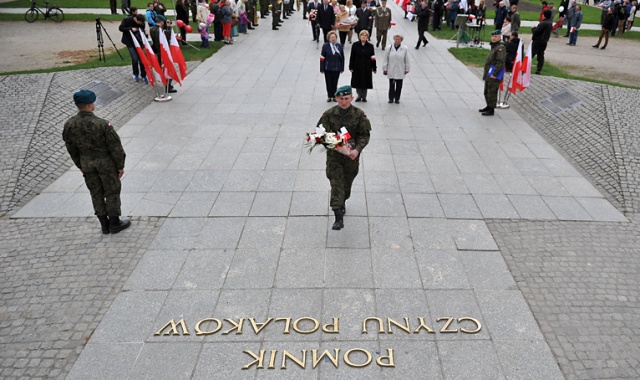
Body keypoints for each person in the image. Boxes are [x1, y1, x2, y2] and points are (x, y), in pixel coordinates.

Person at [63, 90, 131, 235]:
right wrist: (120, 166)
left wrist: (80, 164)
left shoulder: (69, 124)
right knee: (112, 192)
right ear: (89, 105)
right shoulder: (103, 124)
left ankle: (104, 225)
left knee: (96, 192)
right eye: (93, 102)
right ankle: (114, 223)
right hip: (106, 164)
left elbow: (71, 147)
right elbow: (116, 147)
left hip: (87, 164)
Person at [315, 85, 371, 230]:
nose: (344, 102)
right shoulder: (329, 114)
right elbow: (319, 133)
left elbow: (365, 135)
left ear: (352, 98)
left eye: (346, 99)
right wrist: (334, 144)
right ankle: (338, 216)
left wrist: (357, 150)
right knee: (336, 184)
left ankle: (343, 201)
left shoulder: (359, 115)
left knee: (346, 185)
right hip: (334, 157)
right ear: (336, 99)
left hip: (351, 158)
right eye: (341, 99)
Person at [479, 30, 505, 116]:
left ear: (500, 37)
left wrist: (495, 74)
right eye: (493, 36)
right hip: (489, 73)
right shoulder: (494, 47)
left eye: (496, 36)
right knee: (487, 91)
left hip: (494, 74)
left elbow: (500, 62)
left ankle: (491, 109)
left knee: (492, 92)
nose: (494, 38)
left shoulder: (500, 48)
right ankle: (488, 106)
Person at [150, 16, 178, 93]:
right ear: (162, 22)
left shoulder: (152, 29)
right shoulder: (161, 31)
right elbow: (167, 37)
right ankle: (167, 86)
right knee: (168, 69)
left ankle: (167, 84)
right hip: (164, 53)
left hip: (158, 51)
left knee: (164, 69)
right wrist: (168, 28)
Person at [119, 13, 148, 84]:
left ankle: (144, 75)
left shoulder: (142, 24)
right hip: (130, 42)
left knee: (142, 59)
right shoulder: (127, 20)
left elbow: (142, 31)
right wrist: (131, 29)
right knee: (135, 58)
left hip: (139, 42)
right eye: (139, 22)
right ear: (135, 19)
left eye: (141, 23)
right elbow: (121, 28)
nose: (140, 23)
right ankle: (135, 73)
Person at [349, 30, 377, 102]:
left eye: (365, 36)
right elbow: (352, 56)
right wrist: (351, 66)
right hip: (357, 66)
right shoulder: (355, 45)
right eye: (362, 35)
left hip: (367, 66)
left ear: (367, 37)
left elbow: (373, 57)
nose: (364, 37)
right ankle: (359, 95)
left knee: (365, 82)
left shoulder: (370, 46)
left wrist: (374, 67)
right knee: (358, 81)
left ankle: (364, 96)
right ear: (359, 36)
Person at [383, 34, 410, 104]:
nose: (397, 41)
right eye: (396, 39)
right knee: (391, 84)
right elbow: (386, 59)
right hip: (391, 68)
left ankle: (397, 98)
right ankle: (391, 98)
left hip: (400, 69)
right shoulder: (389, 48)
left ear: (401, 40)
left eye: (399, 39)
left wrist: (407, 68)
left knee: (399, 85)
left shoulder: (404, 48)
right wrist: (385, 68)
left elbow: (406, 59)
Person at [320, 31, 345, 102]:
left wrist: (342, 67)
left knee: (335, 82)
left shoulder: (339, 46)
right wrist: (322, 68)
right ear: (329, 38)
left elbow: (342, 58)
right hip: (327, 67)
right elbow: (322, 57)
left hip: (336, 67)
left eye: (334, 37)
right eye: (331, 37)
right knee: (328, 82)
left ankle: (334, 96)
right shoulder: (325, 46)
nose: (333, 39)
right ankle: (329, 95)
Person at [531, 9, 552, 74]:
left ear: (544, 15)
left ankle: (524, 67)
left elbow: (536, 32)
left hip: (538, 41)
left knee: (531, 54)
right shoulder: (550, 23)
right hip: (544, 41)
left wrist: (534, 28)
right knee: (540, 56)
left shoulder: (543, 23)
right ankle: (539, 69)